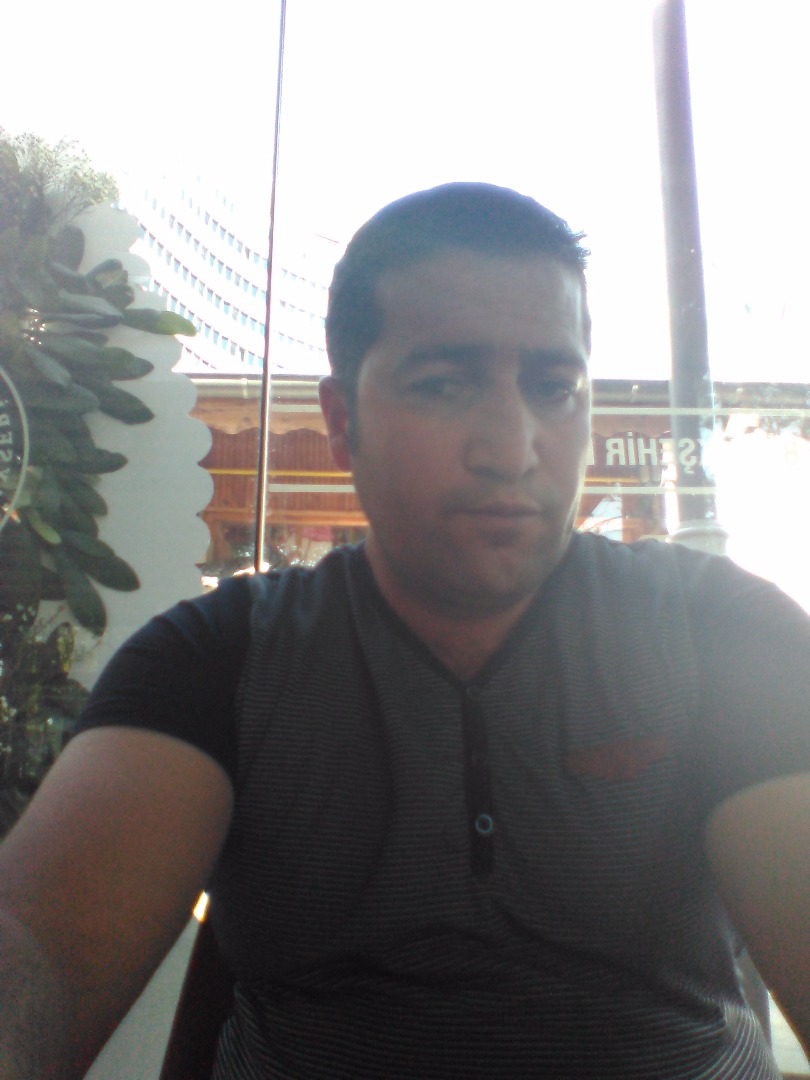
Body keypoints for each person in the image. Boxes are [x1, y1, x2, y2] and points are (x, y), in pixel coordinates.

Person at [1, 182, 808, 1079]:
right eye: (444, 384)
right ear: (341, 421)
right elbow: (37, 947)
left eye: (555, 388)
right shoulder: (221, 658)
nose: (513, 449)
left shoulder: (722, 634)